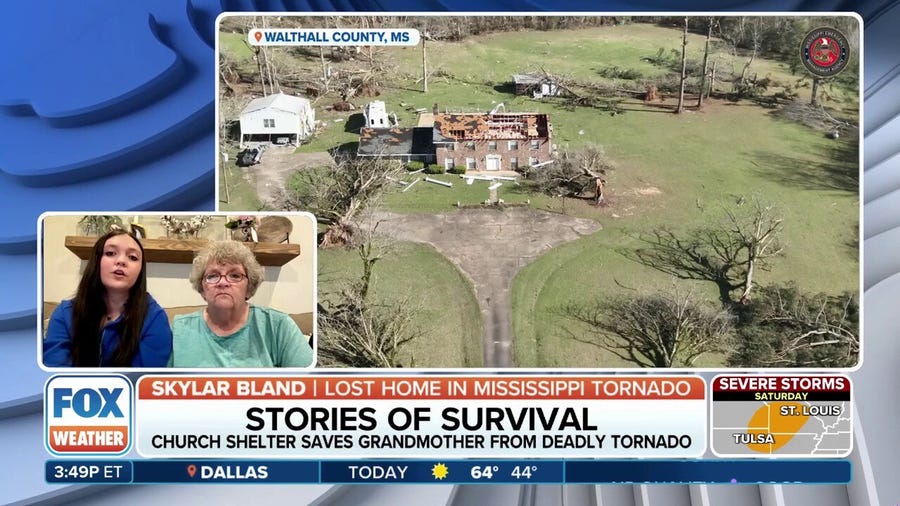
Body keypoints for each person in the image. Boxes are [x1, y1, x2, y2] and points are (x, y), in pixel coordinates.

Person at [170, 240, 313, 367]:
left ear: (249, 288)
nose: (223, 282)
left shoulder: (278, 325)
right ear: (202, 289)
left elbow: (310, 384)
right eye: (212, 276)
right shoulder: (178, 330)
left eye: (235, 275)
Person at [44, 229, 172, 367]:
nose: (121, 261)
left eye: (133, 257)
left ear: (141, 271)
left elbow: (143, 379)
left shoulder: (154, 317)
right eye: (110, 253)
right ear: (96, 261)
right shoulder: (65, 313)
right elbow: (55, 373)